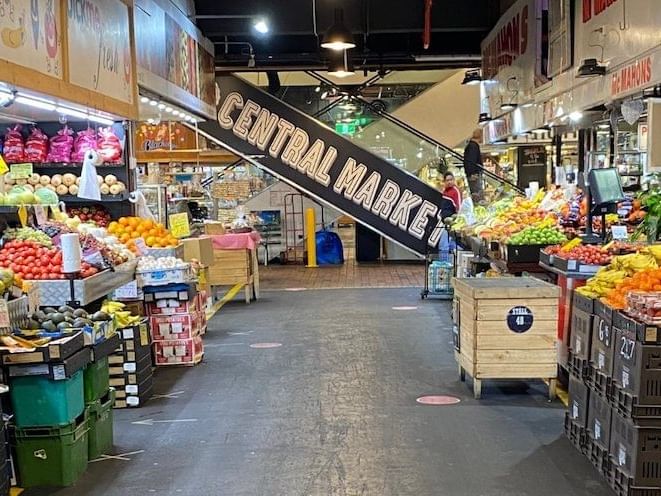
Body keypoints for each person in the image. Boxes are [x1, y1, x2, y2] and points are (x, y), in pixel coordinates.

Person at [464, 128, 484, 198]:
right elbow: (470, 161)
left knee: (477, 194)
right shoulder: (473, 146)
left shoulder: (471, 145)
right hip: (474, 176)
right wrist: (472, 174)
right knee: (477, 195)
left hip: (473, 175)